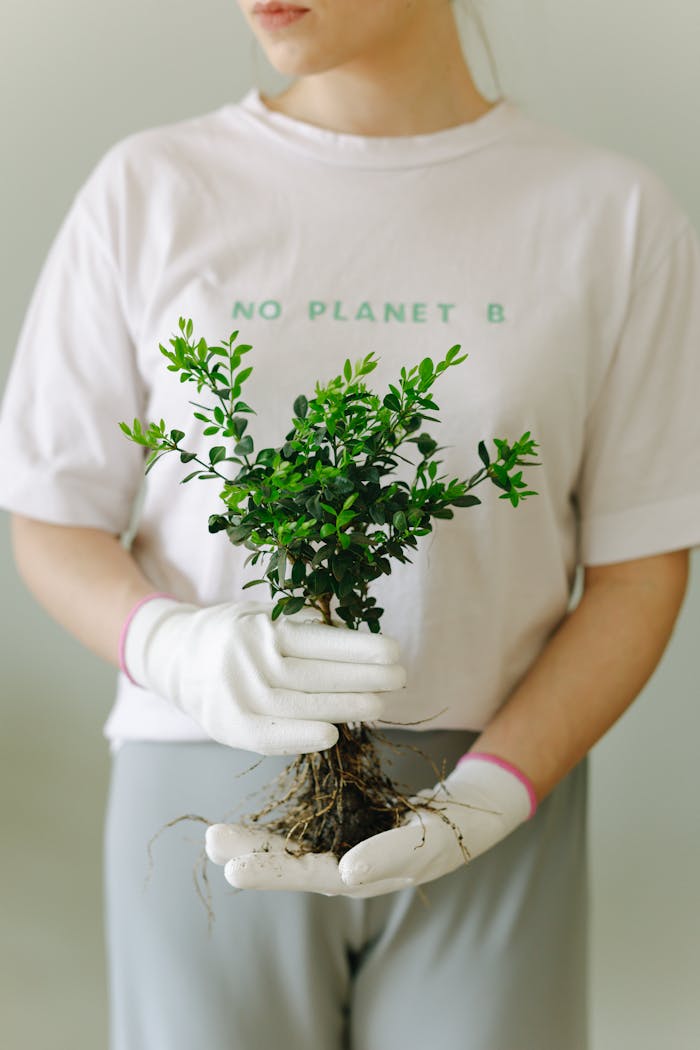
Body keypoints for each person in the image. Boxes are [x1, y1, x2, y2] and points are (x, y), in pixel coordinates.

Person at [2, 1, 699, 1047]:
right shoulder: (152, 190)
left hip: (495, 779)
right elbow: (52, 515)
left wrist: (496, 793)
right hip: (201, 767)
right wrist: (174, 647)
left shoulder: (607, 214)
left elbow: (639, 569)